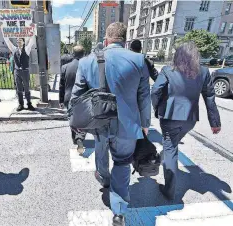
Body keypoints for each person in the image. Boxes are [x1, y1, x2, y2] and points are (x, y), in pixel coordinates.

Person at [71, 22, 151, 226]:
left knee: (100, 150)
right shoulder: (139, 60)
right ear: (125, 41)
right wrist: (145, 124)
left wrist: (77, 123)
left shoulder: (87, 61)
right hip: (128, 125)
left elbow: (76, 98)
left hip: (98, 122)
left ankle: (104, 179)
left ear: (106, 40)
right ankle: (119, 211)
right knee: (123, 163)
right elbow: (144, 96)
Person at [151, 41, 221, 200]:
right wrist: (215, 123)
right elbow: (209, 96)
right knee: (172, 146)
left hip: (170, 117)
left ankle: (169, 189)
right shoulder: (203, 72)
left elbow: (155, 90)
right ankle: (165, 159)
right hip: (190, 119)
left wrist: (156, 107)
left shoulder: (168, 70)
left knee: (170, 149)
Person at [0, 23, 37, 111]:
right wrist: (2, 28)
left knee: (27, 88)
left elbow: (32, 40)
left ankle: (29, 104)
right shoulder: (14, 49)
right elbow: (7, 40)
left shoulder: (27, 49)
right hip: (17, 72)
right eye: (17, 41)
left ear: (23, 42)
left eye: (20, 40)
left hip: (25, 71)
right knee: (19, 89)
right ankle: (21, 104)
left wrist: (33, 29)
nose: (18, 42)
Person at [59, 45, 86, 154]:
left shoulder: (65, 67)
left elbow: (61, 86)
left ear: (73, 54)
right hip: (83, 98)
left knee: (73, 118)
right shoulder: (86, 66)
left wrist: (60, 100)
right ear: (83, 54)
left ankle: (75, 137)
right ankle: (80, 137)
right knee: (83, 119)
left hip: (68, 97)